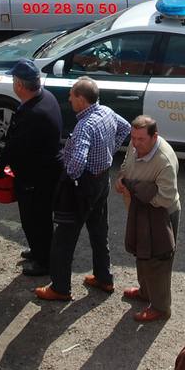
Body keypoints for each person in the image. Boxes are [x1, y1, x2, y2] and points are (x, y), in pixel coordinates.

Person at [36, 78, 130, 301]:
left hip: (84, 186)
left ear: (81, 98)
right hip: (102, 180)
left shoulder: (84, 127)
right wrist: (109, 151)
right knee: (98, 231)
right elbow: (125, 127)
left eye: (71, 95)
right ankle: (104, 278)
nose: (69, 99)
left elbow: (77, 162)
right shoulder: (106, 111)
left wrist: (71, 177)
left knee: (64, 238)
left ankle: (59, 288)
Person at [0, 59, 62, 277]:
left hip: (36, 177)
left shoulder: (32, 114)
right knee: (38, 218)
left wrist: (1, 160)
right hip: (45, 172)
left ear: (19, 85)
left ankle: (44, 261)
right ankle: (38, 250)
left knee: (35, 219)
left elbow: (17, 146)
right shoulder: (46, 98)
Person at [117, 116, 181, 323]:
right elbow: (126, 166)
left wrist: (134, 189)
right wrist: (122, 180)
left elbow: (165, 197)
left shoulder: (164, 161)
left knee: (158, 260)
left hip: (160, 215)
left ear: (155, 136)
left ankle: (161, 308)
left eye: (141, 139)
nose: (135, 144)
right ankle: (145, 292)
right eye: (133, 138)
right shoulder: (135, 146)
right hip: (140, 211)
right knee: (142, 252)